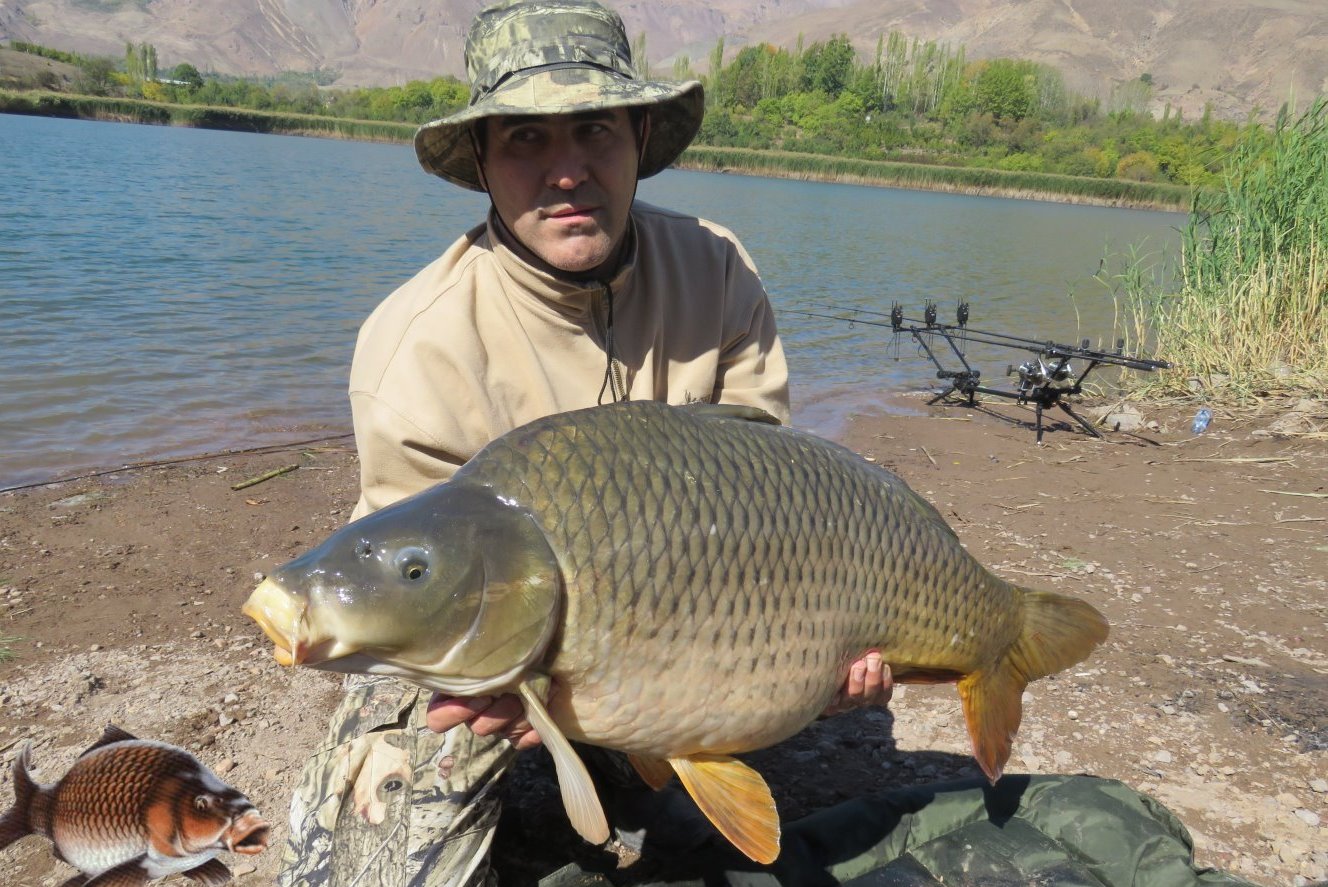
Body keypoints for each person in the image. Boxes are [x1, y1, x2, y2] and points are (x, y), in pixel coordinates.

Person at [278, 2, 891, 885]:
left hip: (682, 615)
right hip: (465, 635)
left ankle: (662, 762)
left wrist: (824, 654)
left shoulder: (717, 271)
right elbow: (409, 602)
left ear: (641, 135)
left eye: (596, 130)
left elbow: (781, 494)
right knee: (373, 843)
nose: (568, 170)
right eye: (526, 138)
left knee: (798, 689)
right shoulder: (416, 342)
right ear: (482, 159)